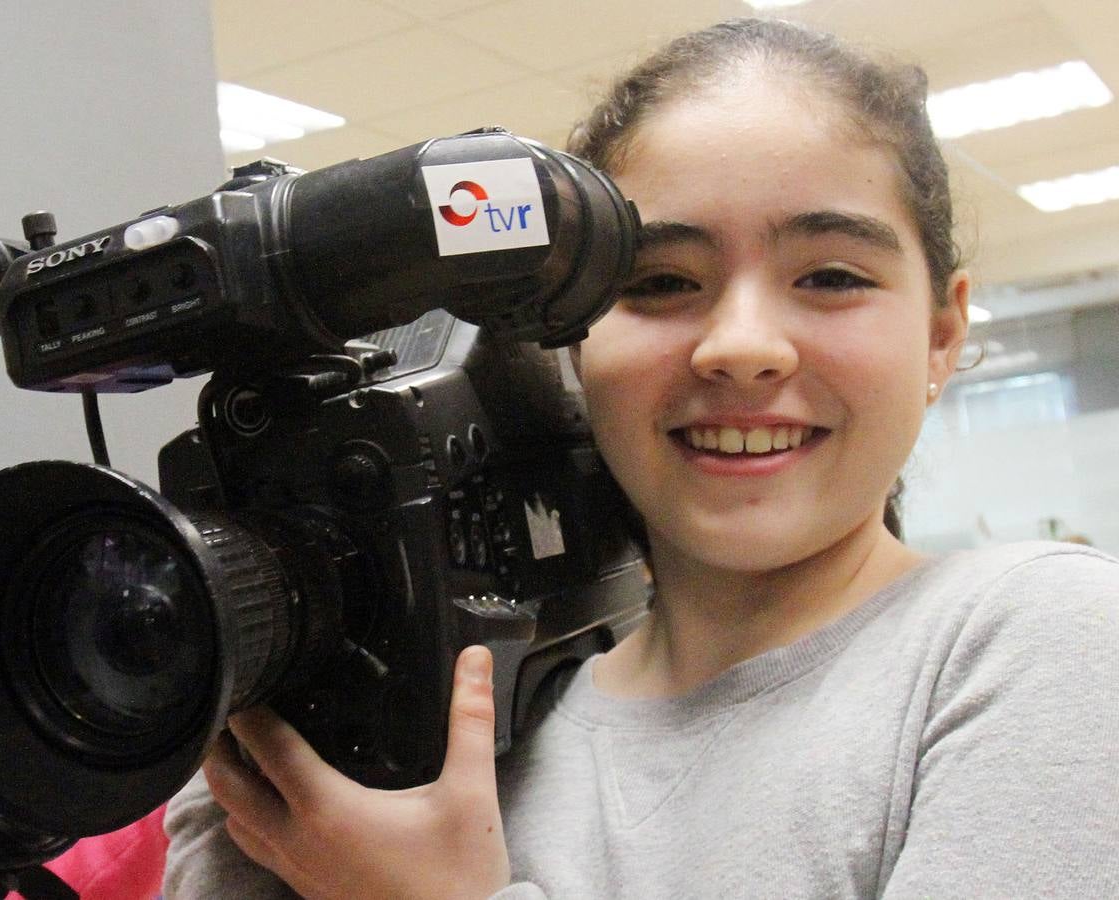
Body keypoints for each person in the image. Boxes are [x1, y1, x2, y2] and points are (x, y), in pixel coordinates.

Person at [163, 17, 1119, 899]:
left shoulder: (1031, 642)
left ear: (942, 334)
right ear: (570, 341)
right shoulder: (459, 718)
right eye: (662, 282)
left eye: (831, 276)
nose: (742, 346)